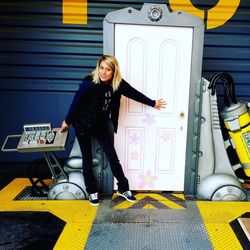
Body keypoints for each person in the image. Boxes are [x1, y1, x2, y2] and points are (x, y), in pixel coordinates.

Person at [60, 55, 166, 206]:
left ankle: (123, 188)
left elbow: (133, 93)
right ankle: (92, 191)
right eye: (101, 68)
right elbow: (75, 103)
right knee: (87, 159)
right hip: (83, 125)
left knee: (112, 156)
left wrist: (152, 102)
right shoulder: (88, 84)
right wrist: (67, 121)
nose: (103, 72)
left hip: (100, 124)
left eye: (108, 69)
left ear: (113, 71)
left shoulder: (117, 84)